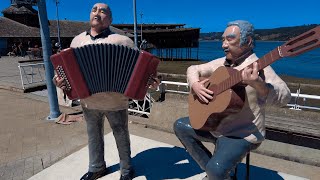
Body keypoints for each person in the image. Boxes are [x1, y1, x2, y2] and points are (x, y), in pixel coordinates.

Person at [173, 20, 291, 180]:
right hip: (216, 126)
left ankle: (216, 173)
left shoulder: (260, 68)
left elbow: (285, 97)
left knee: (215, 170)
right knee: (180, 126)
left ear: (248, 41)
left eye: (230, 39)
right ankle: (221, 174)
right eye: (223, 39)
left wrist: (259, 85)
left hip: (243, 133)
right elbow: (193, 69)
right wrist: (195, 84)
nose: (223, 45)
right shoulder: (220, 63)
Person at [53, 3, 158, 180]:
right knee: (93, 136)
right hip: (88, 101)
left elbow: (140, 71)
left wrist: (150, 82)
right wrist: (60, 81)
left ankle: (126, 169)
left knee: (121, 135)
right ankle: (96, 167)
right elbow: (65, 72)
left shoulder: (124, 41)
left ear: (110, 19)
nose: (97, 13)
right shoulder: (76, 41)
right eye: (94, 10)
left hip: (115, 101)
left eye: (103, 11)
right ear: (89, 15)